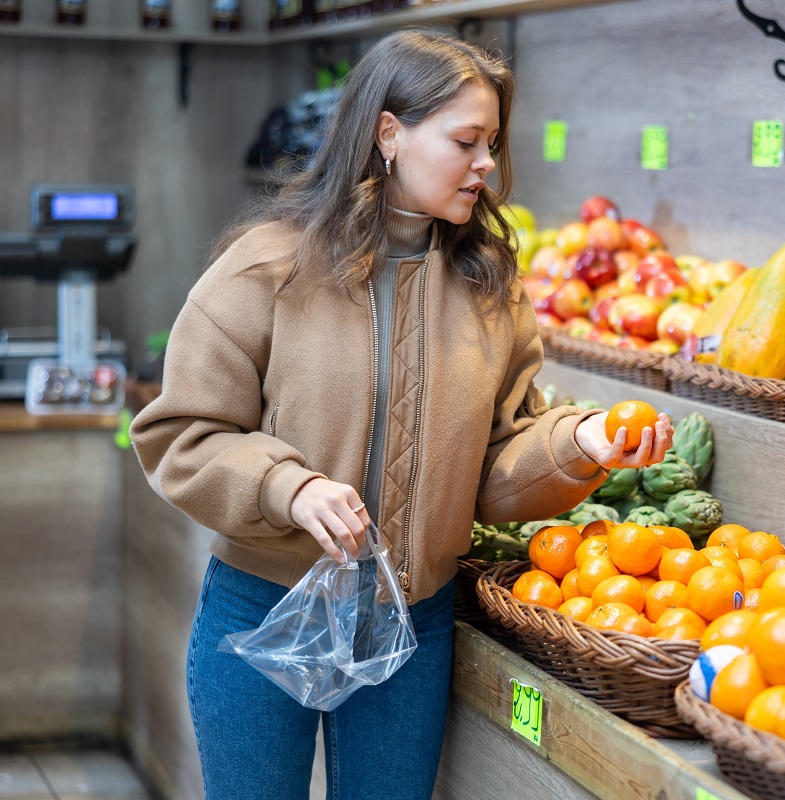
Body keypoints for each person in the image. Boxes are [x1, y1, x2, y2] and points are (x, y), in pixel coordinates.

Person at [130, 29, 673, 800]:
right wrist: (289, 486)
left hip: (413, 628)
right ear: (389, 133)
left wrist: (577, 443)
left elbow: (495, 471)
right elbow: (180, 435)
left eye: (492, 142)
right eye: (465, 141)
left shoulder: (489, 287)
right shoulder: (266, 268)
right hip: (262, 610)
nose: (486, 164)